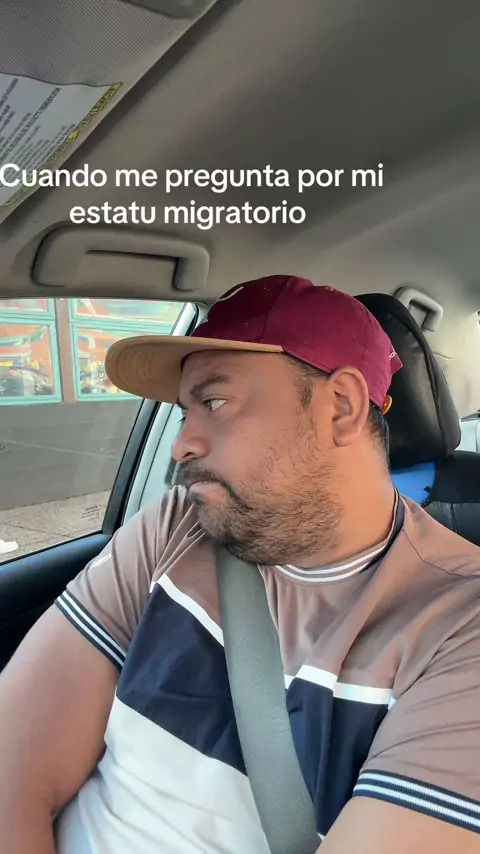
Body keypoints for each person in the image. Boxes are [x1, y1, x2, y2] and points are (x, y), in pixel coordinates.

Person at [1, 274, 480, 854]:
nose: (181, 445)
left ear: (341, 407)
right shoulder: (176, 525)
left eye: (215, 402)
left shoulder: (459, 625)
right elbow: (11, 776)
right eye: (185, 412)